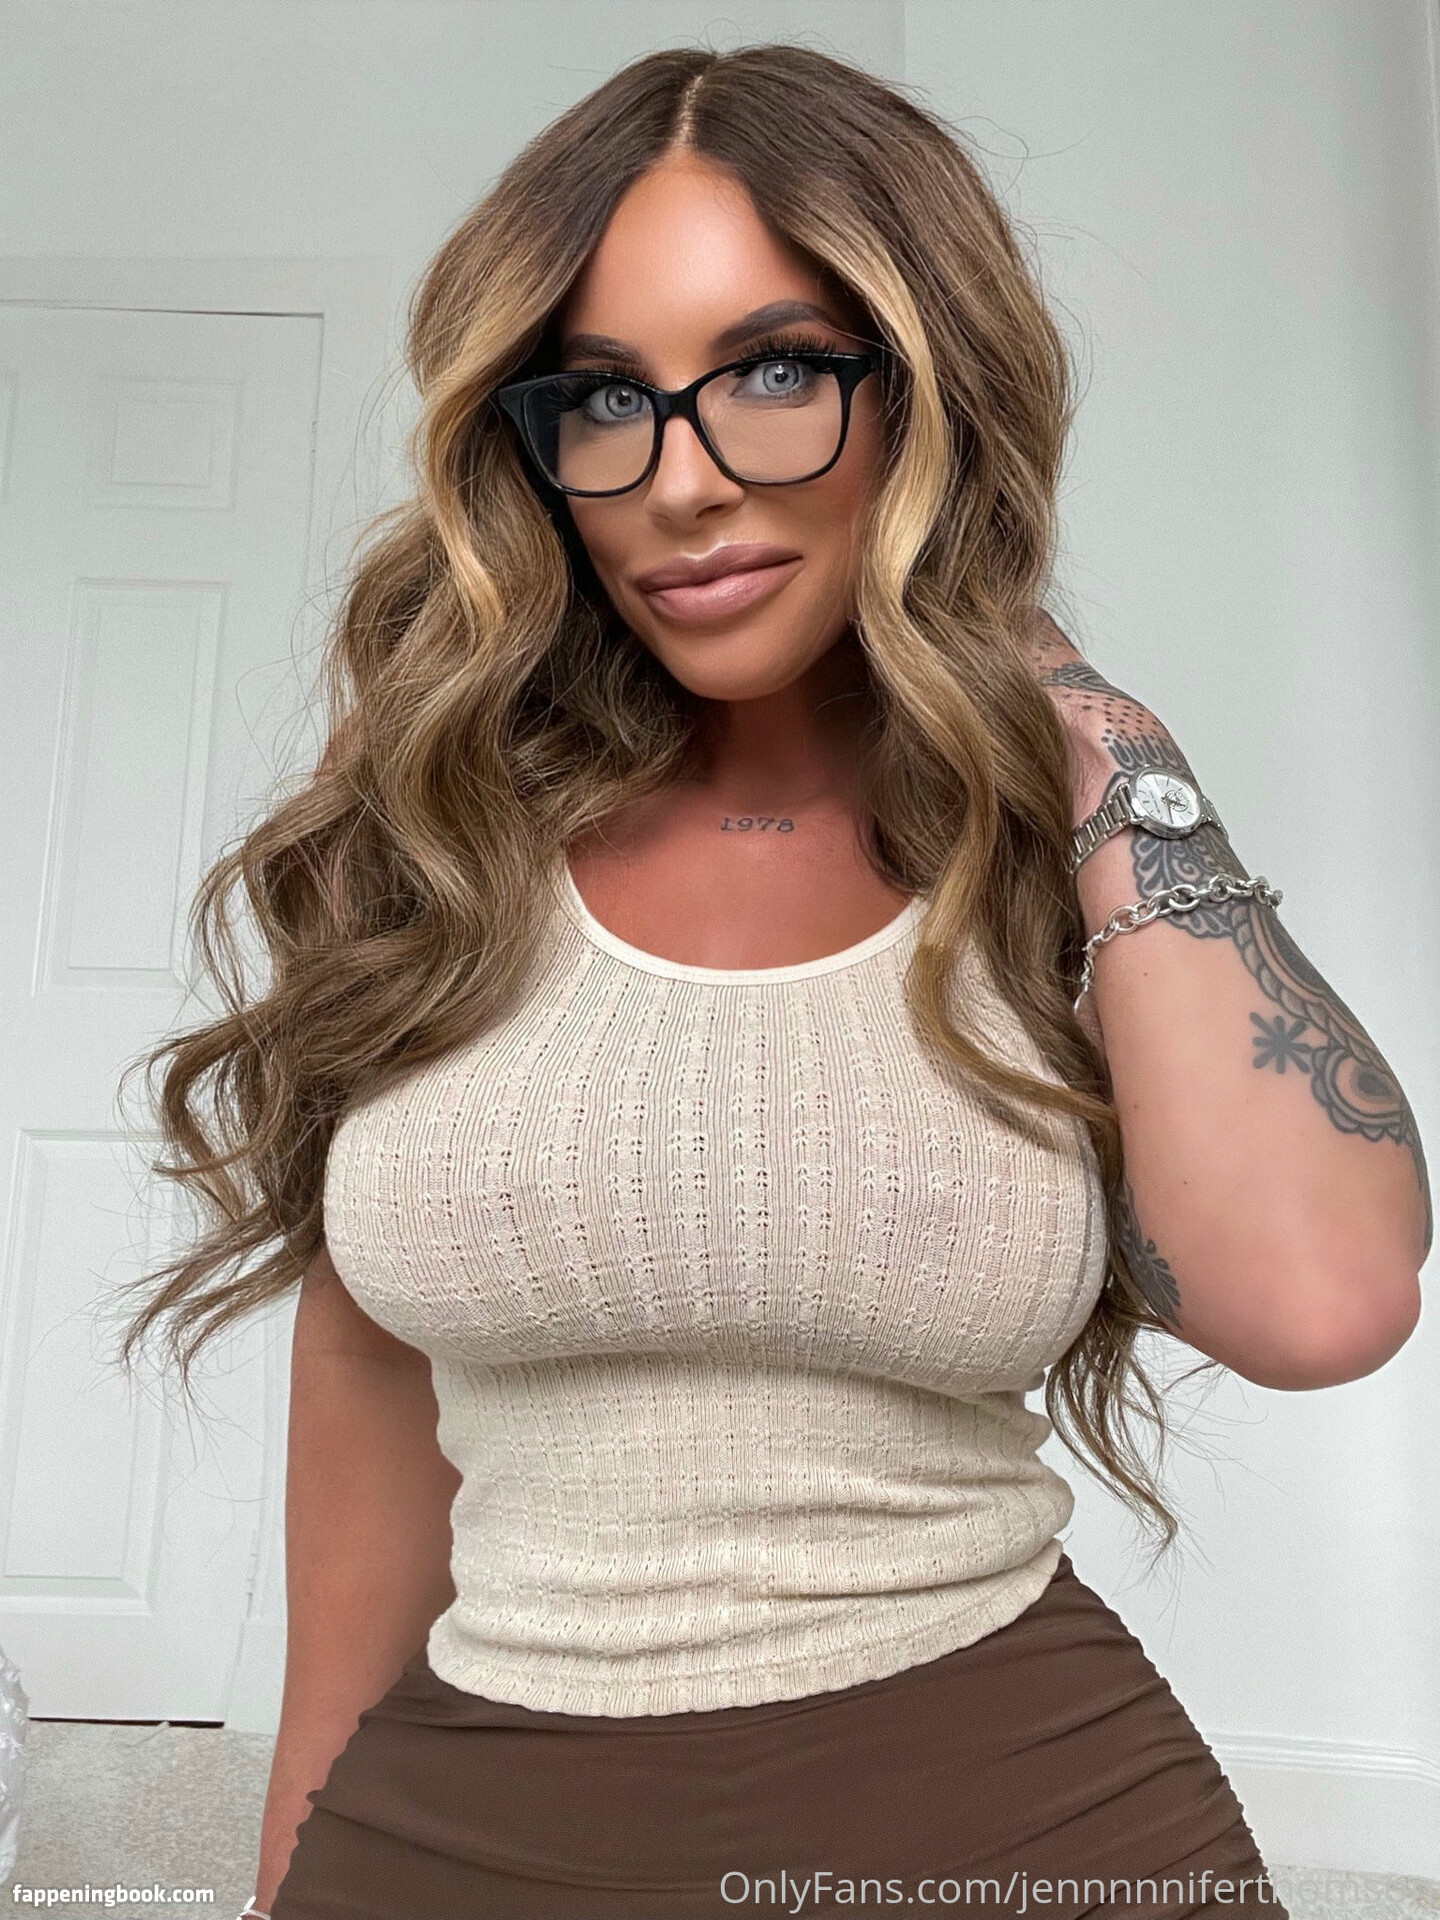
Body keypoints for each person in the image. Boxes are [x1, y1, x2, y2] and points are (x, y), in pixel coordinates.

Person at [114, 42, 1429, 1920]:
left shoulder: (1054, 838)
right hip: (465, 1831)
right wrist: (296, 1865)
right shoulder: (437, 817)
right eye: (604, 401)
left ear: (932, 392)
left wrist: (1091, 733)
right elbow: (370, 1376)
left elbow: (1316, 1302)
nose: (681, 482)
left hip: (1031, 1831)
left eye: (779, 373)